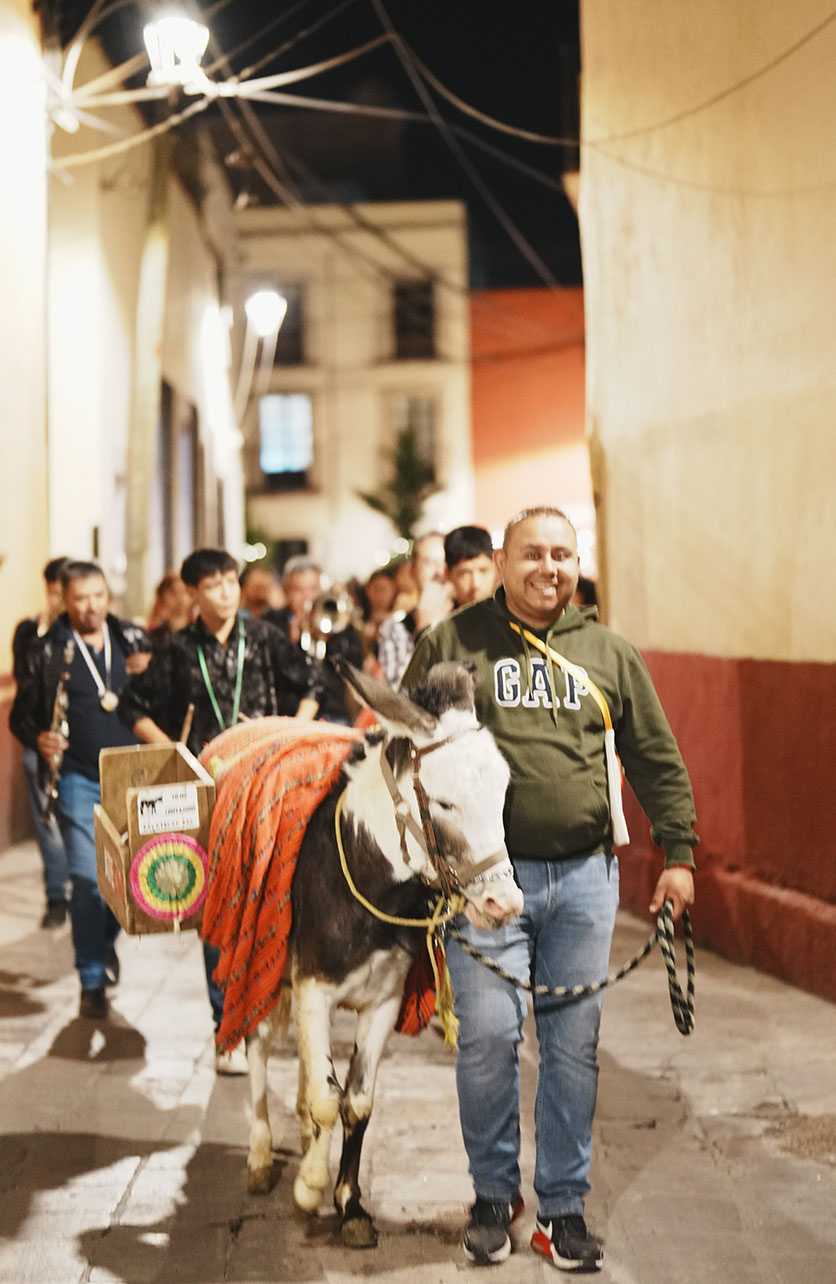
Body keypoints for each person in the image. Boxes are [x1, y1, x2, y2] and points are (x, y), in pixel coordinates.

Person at [402, 506, 697, 1272]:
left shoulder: (608, 652)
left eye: (562, 555)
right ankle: (493, 1196)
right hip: (481, 887)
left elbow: (654, 754)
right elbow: (411, 753)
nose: (549, 568)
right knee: (488, 1040)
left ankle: (562, 1209)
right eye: (533, 553)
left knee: (571, 1050)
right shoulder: (453, 643)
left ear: (576, 565)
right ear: (502, 562)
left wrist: (679, 853)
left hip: (585, 881)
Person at [118, 547, 323, 1073]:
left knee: (274, 898)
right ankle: (228, 1027)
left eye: (231, 580)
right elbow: (132, 706)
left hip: (267, 784)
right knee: (218, 908)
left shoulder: (265, 638)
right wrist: (175, 753)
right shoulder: (177, 649)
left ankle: (269, 1011)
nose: (226, 591)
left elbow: (313, 684)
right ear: (192, 594)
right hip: (205, 792)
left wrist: (293, 733)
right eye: (213, 584)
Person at [10, 560, 152, 1018]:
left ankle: (102, 944)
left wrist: (150, 671)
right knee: (88, 881)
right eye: (80, 598)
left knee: (128, 884)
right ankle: (91, 978)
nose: (91, 606)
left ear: (109, 595)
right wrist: (39, 738)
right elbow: (20, 715)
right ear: (64, 601)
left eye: (98, 596)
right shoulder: (48, 648)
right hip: (78, 779)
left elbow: (166, 698)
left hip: (133, 779)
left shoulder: (133, 640)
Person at [11, 556, 72, 928]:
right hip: (39, 742)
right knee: (47, 822)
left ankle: (84, 892)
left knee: (79, 823)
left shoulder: (82, 632)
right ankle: (56, 898)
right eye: (54, 591)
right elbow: (23, 679)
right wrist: (42, 633)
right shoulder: (28, 631)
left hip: (78, 747)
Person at [262, 556, 364, 724]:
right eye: (298, 590)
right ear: (286, 591)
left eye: (313, 589)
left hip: (331, 712)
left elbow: (354, 667)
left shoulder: (338, 619)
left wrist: (327, 638)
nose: (307, 597)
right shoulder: (272, 622)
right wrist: (291, 641)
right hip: (288, 713)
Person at [377, 531, 450, 687]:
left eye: (445, 562)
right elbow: (401, 689)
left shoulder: (467, 616)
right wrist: (424, 630)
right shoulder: (397, 628)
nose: (439, 572)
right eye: (430, 563)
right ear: (413, 571)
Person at [444, 525, 497, 607]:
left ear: (496, 567)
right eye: (464, 574)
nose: (476, 584)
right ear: (448, 574)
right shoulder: (439, 614)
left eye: (483, 570)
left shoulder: (513, 612)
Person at [147, 570, 192, 642]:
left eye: (182, 592)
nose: (180, 599)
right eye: (174, 593)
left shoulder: (197, 626)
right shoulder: (156, 631)